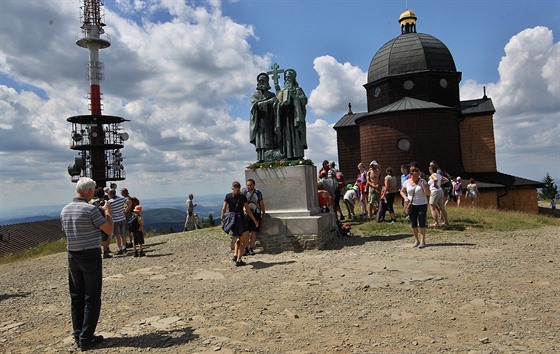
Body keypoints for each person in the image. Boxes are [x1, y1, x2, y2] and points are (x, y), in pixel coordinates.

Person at [60, 177, 113, 350]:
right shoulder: (91, 210)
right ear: (90, 191)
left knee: (76, 296)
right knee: (92, 296)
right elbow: (109, 229)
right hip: (90, 254)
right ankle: (86, 338)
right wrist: (107, 212)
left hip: (72, 255)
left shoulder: (65, 210)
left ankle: (78, 335)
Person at [221, 181, 259, 267]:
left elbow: (224, 208)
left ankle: (235, 254)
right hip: (241, 220)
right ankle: (239, 260)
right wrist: (254, 220)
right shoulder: (242, 196)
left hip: (232, 221)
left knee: (238, 238)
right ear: (240, 187)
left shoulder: (228, 196)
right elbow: (247, 210)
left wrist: (222, 219)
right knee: (244, 242)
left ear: (232, 187)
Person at [275, 68, 307, 160]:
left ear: (293, 78)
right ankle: (287, 155)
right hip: (285, 118)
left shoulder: (297, 89)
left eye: (289, 77)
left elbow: (304, 100)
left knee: (296, 135)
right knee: (286, 136)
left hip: (295, 117)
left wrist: (294, 97)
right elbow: (276, 103)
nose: (287, 78)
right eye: (286, 77)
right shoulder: (282, 91)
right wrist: (280, 105)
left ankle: (297, 155)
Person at [400, 166, 431, 248]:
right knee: (413, 223)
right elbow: (402, 191)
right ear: (410, 175)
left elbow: (428, 194)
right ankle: (416, 240)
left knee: (422, 222)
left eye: (417, 175)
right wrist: (405, 198)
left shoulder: (422, 181)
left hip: (422, 204)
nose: (415, 177)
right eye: (413, 176)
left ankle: (423, 240)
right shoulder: (407, 182)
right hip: (411, 205)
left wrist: (424, 185)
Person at [250, 73, 278, 162]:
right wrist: (267, 102)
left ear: (267, 82)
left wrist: (271, 102)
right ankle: (261, 158)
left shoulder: (272, 94)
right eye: (259, 80)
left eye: (263, 80)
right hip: (260, 121)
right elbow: (255, 105)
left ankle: (271, 157)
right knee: (261, 140)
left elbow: (276, 104)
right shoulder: (255, 95)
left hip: (270, 121)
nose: (261, 82)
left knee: (271, 139)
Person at [243, 178, 266, 256]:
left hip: (256, 213)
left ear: (254, 185)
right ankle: (246, 248)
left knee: (254, 231)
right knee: (246, 232)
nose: (249, 186)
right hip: (246, 214)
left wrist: (263, 212)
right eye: (247, 185)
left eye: (250, 185)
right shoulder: (244, 192)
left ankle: (251, 248)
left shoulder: (258, 193)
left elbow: (261, 203)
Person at [90, 187, 112, 259]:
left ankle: (99, 252)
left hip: (95, 222)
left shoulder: (93, 203)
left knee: (97, 237)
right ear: (103, 194)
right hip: (104, 221)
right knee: (105, 238)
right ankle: (105, 252)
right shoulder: (105, 202)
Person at [108, 189, 128, 255]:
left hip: (115, 220)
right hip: (123, 218)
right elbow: (129, 201)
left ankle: (119, 249)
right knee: (123, 234)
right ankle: (124, 247)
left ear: (110, 194)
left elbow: (109, 211)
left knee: (117, 236)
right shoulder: (121, 199)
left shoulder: (109, 202)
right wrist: (126, 209)